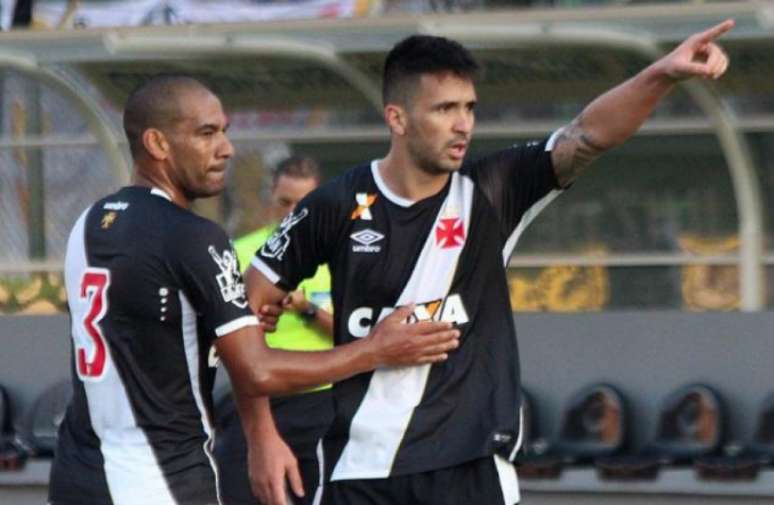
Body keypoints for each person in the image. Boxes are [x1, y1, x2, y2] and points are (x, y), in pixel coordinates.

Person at [243, 20, 734, 505]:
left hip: (471, 466)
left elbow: (589, 134)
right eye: (445, 109)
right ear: (397, 118)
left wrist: (662, 74)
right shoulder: (335, 204)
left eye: (469, 108)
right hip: (363, 470)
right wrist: (262, 435)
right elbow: (242, 320)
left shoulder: (494, 190)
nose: (464, 125)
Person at [47, 75, 461, 505]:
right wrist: (377, 349)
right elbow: (256, 370)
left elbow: (140, 331)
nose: (226, 148)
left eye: (224, 131)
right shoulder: (192, 235)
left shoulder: (89, 223)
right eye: (206, 134)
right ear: (157, 143)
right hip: (156, 478)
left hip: (77, 473)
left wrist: (220, 324)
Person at [216, 156, 334, 505]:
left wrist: (305, 308)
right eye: (284, 202)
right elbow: (220, 332)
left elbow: (356, 336)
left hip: (322, 398)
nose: (293, 212)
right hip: (259, 397)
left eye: (304, 204)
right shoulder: (240, 253)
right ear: (272, 199)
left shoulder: (341, 255)